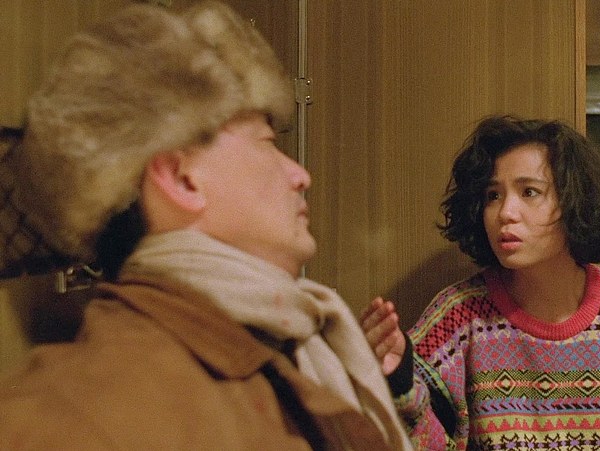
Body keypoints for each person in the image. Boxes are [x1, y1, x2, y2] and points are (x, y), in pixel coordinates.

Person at [0, 2, 412, 450]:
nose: (300, 175)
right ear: (182, 179)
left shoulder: (277, 355)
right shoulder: (77, 420)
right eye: (267, 142)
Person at [362, 115, 600, 450]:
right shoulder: (457, 317)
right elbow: (409, 438)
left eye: (529, 192)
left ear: (574, 201)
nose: (505, 212)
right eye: (493, 195)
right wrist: (398, 381)